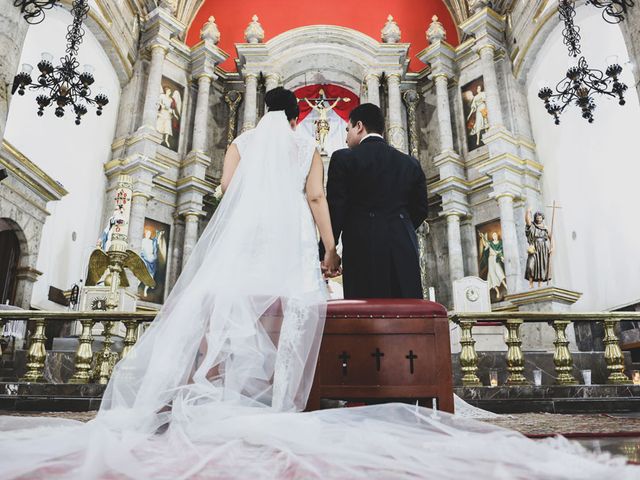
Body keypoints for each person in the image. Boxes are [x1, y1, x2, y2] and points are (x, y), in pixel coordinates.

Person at [0, 89, 636, 480]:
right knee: (302, 314)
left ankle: (220, 395)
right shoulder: (325, 148)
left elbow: (225, 196)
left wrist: (312, 234)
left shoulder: (243, 142)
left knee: (232, 316)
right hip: (324, 240)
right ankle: (318, 399)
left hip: (248, 241)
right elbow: (320, 199)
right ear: (300, 113)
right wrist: (328, 248)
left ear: (260, 110)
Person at [322, 103, 428, 298]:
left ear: (359, 126)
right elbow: (421, 209)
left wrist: (327, 251)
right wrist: (398, 224)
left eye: (348, 129)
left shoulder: (344, 159)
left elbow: (336, 209)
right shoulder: (410, 163)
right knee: (405, 314)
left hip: (362, 248)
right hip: (403, 249)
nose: (346, 137)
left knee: (367, 315)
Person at [525, 208, 552, 288]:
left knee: (541, 265)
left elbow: (551, 237)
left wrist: (552, 247)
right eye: (537, 218)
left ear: (542, 218)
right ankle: (531, 283)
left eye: (540, 218)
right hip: (534, 247)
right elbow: (527, 221)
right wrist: (527, 212)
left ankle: (540, 284)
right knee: (531, 265)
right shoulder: (532, 226)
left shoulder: (546, 227)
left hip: (543, 247)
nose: (538, 219)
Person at [479, 231, 508, 300]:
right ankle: (497, 292)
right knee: (492, 276)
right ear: (492, 237)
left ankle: (506, 286)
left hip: (496, 260)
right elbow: (485, 245)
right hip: (490, 260)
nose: (494, 236)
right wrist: (482, 237)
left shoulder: (500, 243)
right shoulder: (490, 243)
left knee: (499, 273)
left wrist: (500, 255)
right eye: (493, 235)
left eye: (495, 235)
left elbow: (502, 251)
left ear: (497, 236)